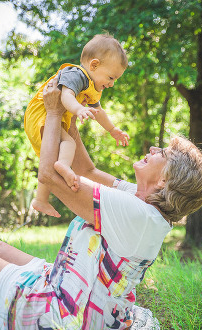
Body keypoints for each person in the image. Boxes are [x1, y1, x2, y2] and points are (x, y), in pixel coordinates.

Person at [0, 79, 202, 330]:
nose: (154, 149)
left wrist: (53, 113)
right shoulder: (143, 204)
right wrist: (71, 118)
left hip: (65, 322)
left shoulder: (136, 213)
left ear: (165, 180)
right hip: (91, 312)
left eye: (163, 154)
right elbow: (87, 172)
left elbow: (49, 175)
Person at [24, 33, 131, 218]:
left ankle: (41, 199)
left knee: (49, 156)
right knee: (68, 145)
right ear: (94, 65)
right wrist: (78, 109)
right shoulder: (77, 75)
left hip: (53, 118)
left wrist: (113, 130)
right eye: (111, 77)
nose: (112, 84)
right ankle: (63, 166)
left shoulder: (92, 85)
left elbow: (100, 112)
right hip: (41, 115)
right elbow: (66, 96)